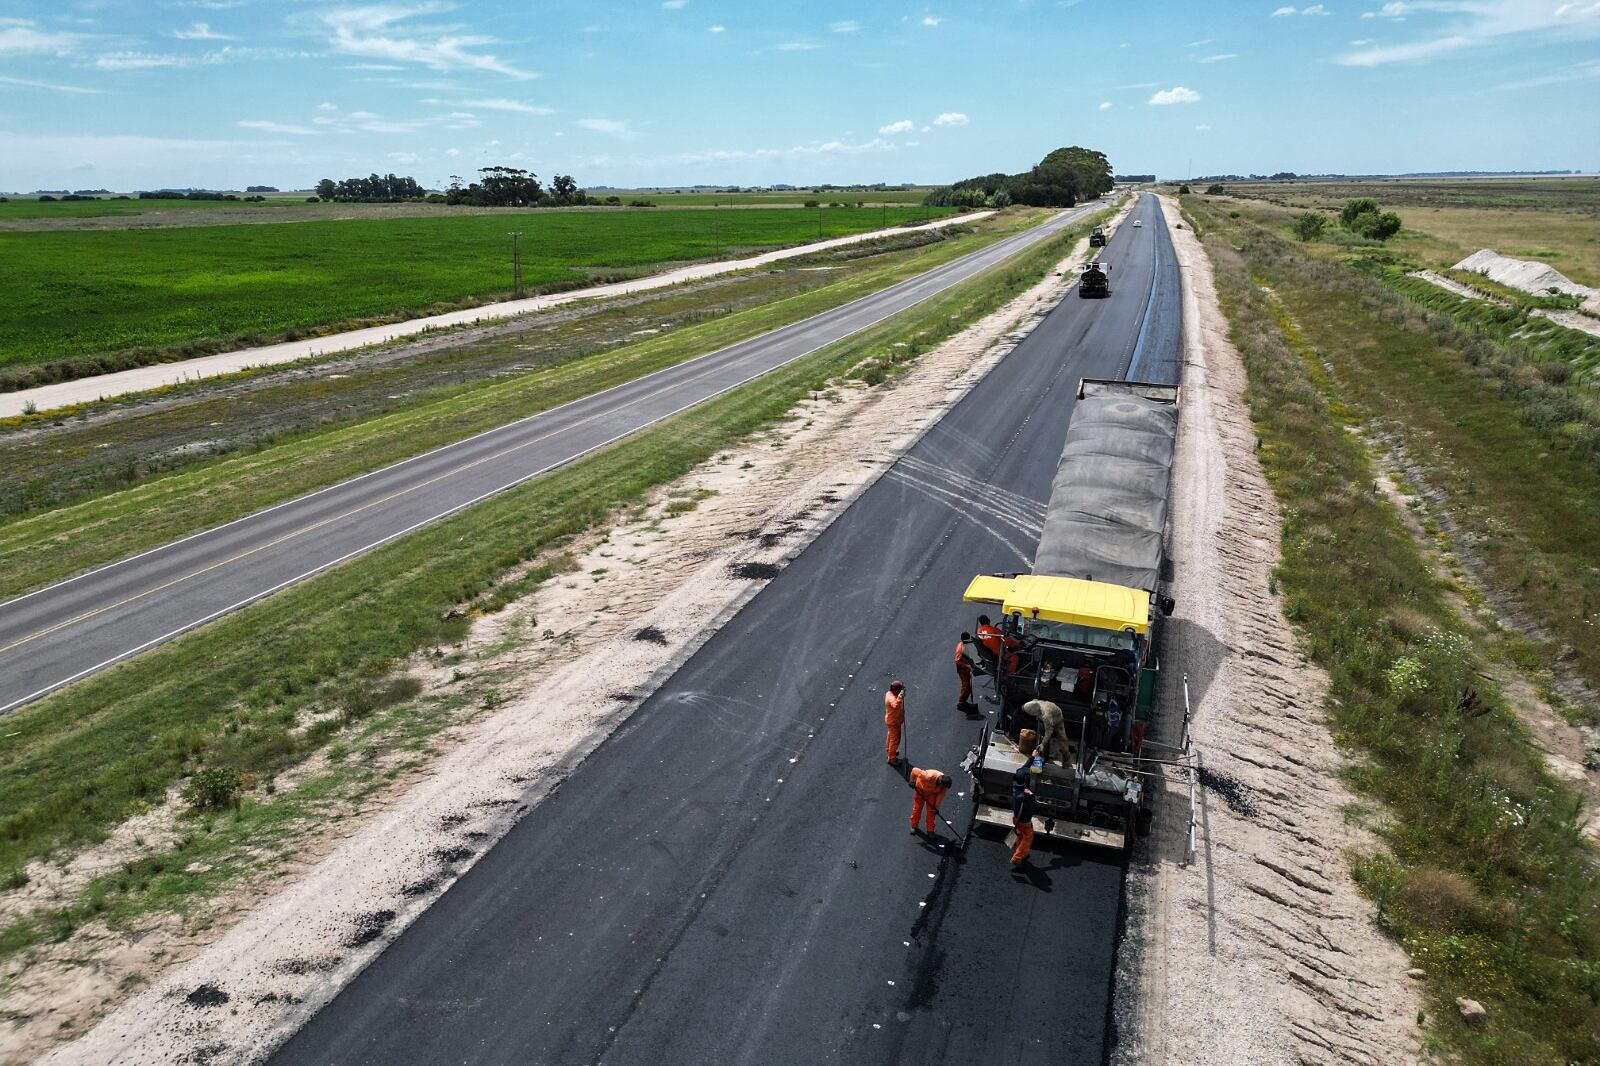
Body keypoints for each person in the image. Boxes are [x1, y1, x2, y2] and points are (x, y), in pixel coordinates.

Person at [908, 767, 952, 835]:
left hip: (931, 794)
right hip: (920, 791)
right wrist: (911, 781)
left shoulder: (944, 786)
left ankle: (930, 830)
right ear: (940, 781)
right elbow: (914, 770)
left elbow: (940, 795)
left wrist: (936, 806)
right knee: (917, 809)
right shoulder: (927, 776)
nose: (943, 788)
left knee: (931, 812)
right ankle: (914, 826)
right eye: (942, 786)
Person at [1011, 757, 1037, 867]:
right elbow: (1032, 807)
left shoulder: (1015, 788)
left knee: (1020, 835)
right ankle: (1017, 857)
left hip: (1016, 818)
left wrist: (1032, 757)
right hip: (1024, 820)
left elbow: (1024, 768)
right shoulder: (1026, 797)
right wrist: (1031, 796)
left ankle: (1023, 854)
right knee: (1027, 837)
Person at [884, 681, 906, 765]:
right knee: (895, 739)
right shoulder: (892, 698)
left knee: (890, 736)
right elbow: (895, 705)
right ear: (896, 690)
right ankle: (892, 758)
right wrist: (900, 696)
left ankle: (889, 750)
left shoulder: (889, 693)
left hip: (892, 720)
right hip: (894, 722)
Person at [954, 633, 977, 712]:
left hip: (966, 668)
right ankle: (961, 702)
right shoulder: (960, 648)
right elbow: (958, 661)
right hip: (962, 670)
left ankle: (963, 701)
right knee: (966, 686)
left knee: (968, 686)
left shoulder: (964, 644)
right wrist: (969, 667)